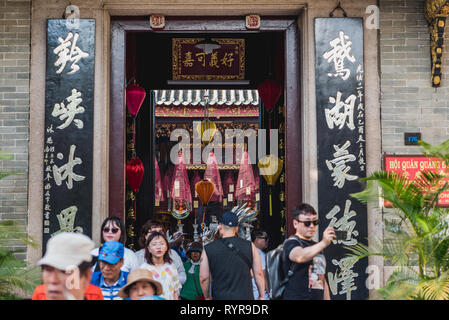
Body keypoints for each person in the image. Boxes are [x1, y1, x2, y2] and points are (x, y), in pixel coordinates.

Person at [199, 211, 265, 300]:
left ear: (220, 227)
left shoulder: (208, 249)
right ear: (237, 228)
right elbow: (259, 273)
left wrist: (207, 296)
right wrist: (261, 296)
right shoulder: (250, 246)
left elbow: (204, 278)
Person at [282, 203, 335, 300]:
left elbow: (322, 279)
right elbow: (299, 256)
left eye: (315, 222)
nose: (312, 226)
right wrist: (323, 243)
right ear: (295, 223)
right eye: (307, 223)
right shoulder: (291, 243)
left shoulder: (316, 246)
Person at [34, 232, 103, 300]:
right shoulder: (40, 294)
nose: (53, 280)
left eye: (64, 271)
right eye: (48, 270)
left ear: (87, 276)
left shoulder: (94, 294)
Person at [135, 220, 186, 285]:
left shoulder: (172, 254)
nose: (157, 235)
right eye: (153, 232)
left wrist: (169, 280)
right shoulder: (137, 256)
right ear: (145, 236)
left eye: (160, 232)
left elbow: (182, 274)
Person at [139, 232, 181, 300]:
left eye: (162, 244)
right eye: (154, 244)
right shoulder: (144, 269)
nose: (159, 247)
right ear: (149, 249)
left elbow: (175, 292)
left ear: (166, 247)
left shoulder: (171, 267)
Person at [251, 230, 270, 300]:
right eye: (265, 239)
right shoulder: (260, 254)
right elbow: (263, 276)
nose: (267, 241)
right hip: (260, 295)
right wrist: (270, 293)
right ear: (257, 239)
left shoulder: (248, 251)